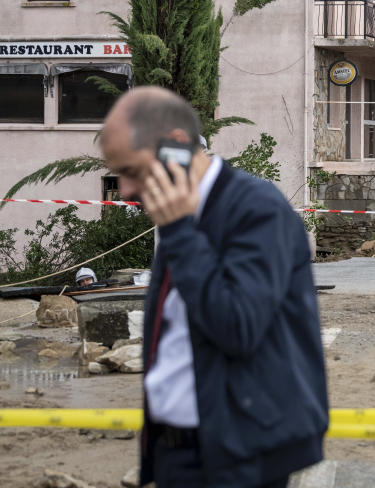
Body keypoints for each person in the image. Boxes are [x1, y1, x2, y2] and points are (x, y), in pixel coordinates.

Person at [100, 87, 328, 488]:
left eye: (131, 171)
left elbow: (237, 326)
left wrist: (180, 234)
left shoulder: (255, 209)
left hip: (237, 451)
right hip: (181, 448)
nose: (127, 190)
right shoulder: (181, 211)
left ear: (175, 148)